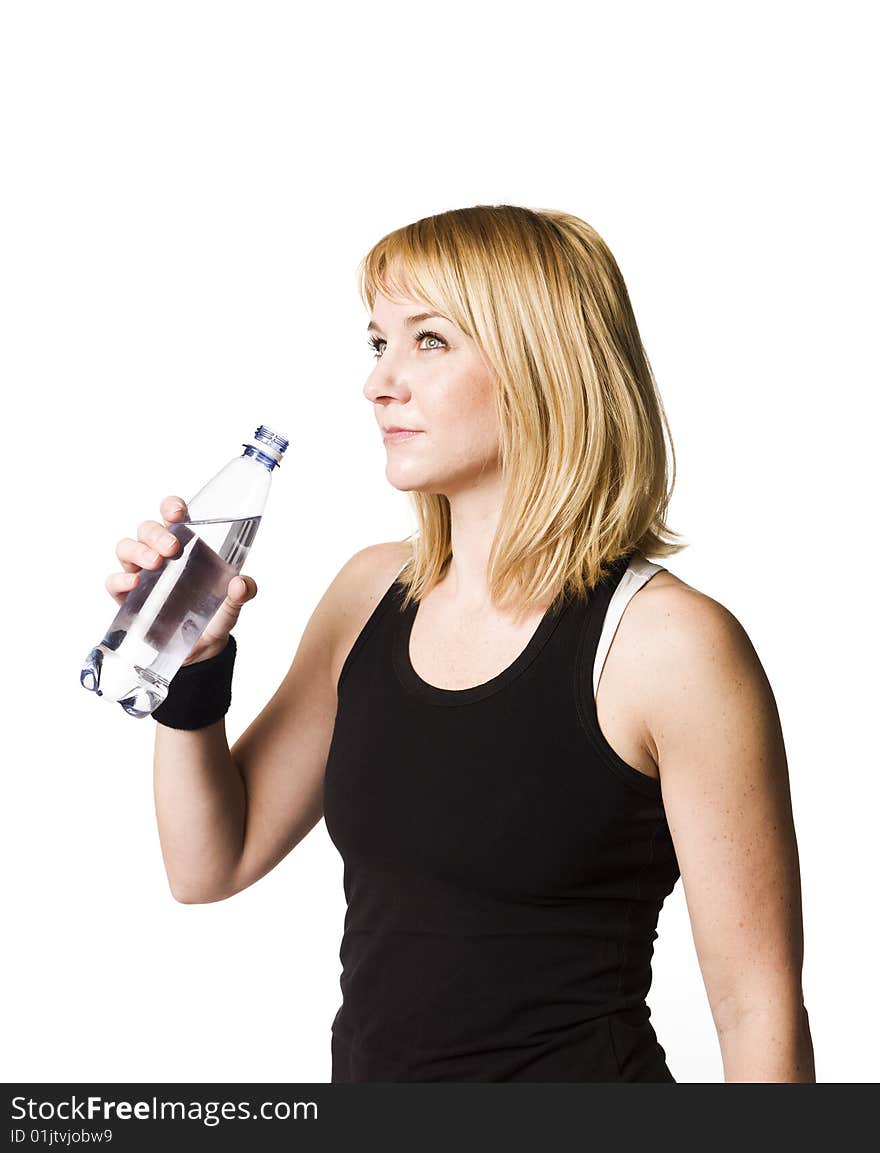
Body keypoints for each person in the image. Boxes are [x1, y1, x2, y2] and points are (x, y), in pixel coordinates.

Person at [106, 205, 816, 1082]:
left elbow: (757, 1008)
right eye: (378, 343)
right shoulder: (370, 594)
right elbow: (209, 862)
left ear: (540, 365)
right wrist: (192, 669)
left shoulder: (667, 646)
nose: (379, 383)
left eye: (430, 341)